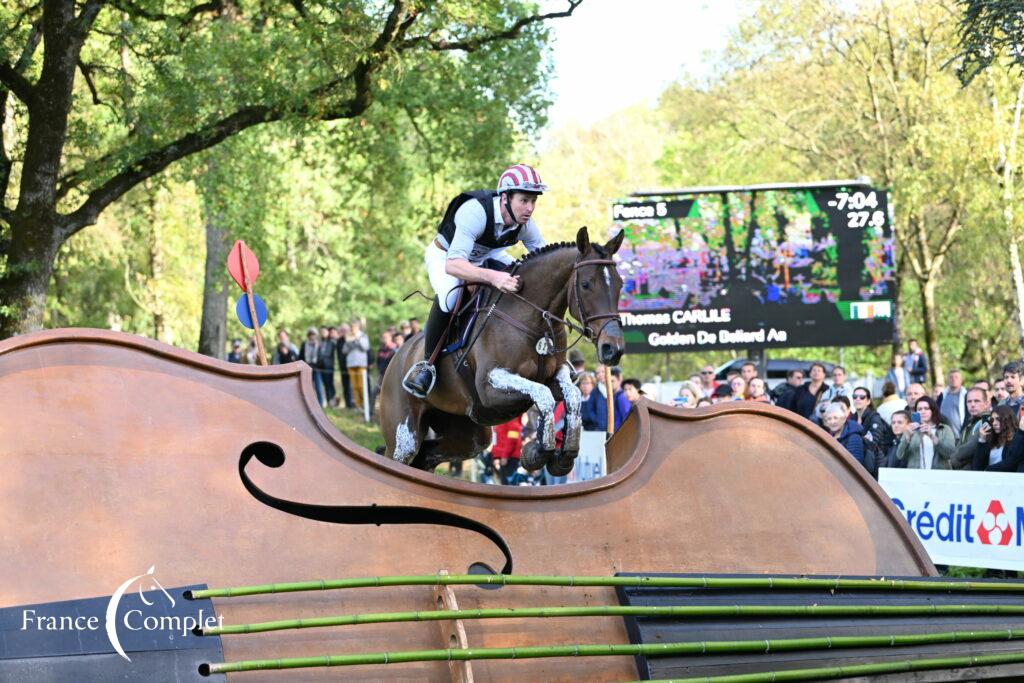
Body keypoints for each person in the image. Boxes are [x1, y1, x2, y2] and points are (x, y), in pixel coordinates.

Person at [403, 164, 547, 397]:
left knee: (522, 279)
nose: (529, 208)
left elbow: (543, 260)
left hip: (485, 254)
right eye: (524, 200)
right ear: (505, 197)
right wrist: (493, 276)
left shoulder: (525, 225)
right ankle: (427, 365)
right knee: (451, 298)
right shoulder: (475, 212)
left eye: (533, 201)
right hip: (446, 255)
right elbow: (454, 265)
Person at [895, 395, 955, 469]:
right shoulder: (912, 430)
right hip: (916, 476)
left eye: (926, 408)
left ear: (933, 410)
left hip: (939, 476)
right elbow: (899, 455)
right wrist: (906, 439)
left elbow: (950, 454)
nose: (923, 411)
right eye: (919, 409)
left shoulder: (944, 429)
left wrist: (932, 436)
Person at [851, 386, 892, 471]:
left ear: (868, 401)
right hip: (858, 460)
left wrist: (856, 440)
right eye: (855, 397)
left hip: (876, 463)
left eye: (862, 397)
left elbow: (872, 442)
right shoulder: (852, 418)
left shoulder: (874, 417)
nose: (858, 399)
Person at [950, 387, 991, 469]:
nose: (972, 404)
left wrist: (954, 460)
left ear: (987, 403)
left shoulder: (987, 421)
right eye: (969, 401)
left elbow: (970, 448)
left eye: (977, 401)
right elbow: (957, 449)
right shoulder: (969, 424)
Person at [972, 405, 1020, 471]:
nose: (994, 423)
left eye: (998, 419)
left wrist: (988, 470)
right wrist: (982, 440)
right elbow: (976, 467)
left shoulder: (1017, 439)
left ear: (1007, 419)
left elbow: (1011, 463)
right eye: (992, 420)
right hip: (988, 479)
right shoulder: (992, 439)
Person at [822, 402, 866, 468]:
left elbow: (856, 466)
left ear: (843, 419)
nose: (832, 422)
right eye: (829, 419)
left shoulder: (854, 437)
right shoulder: (830, 436)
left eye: (836, 418)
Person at [343, 321, 371, 410]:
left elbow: (366, 347)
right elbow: (344, 351)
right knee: (354, 386)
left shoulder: (363, 336)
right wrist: (348, 342)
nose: (353, 329)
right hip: (351, 364)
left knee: (361, 385)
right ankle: (358, 405)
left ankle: (365, 404)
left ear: (358, 327)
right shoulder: (349, 336)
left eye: (354, 327)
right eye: (352, 327)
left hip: (361, 364)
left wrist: (357, 338)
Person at [298, 327, 325, 406]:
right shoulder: (304, 344)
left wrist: (316, 365)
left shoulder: (319, 344)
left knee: (318, 387)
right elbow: (301, 356)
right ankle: (310, 404)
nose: (312, 336)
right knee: (308, 387)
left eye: (313, 334)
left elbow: (321, 357)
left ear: (316, 335)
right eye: (310, 334)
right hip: (306, 369)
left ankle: (320, 404)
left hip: (317, 369)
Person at [938, 369, 967, 439]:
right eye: (951, 377)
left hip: (961, 436)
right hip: (944, 436)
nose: (953, 379)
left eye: (956, 377)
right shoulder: (941, 396)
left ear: (961, 380)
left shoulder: (966, 396)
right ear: (947, 380)